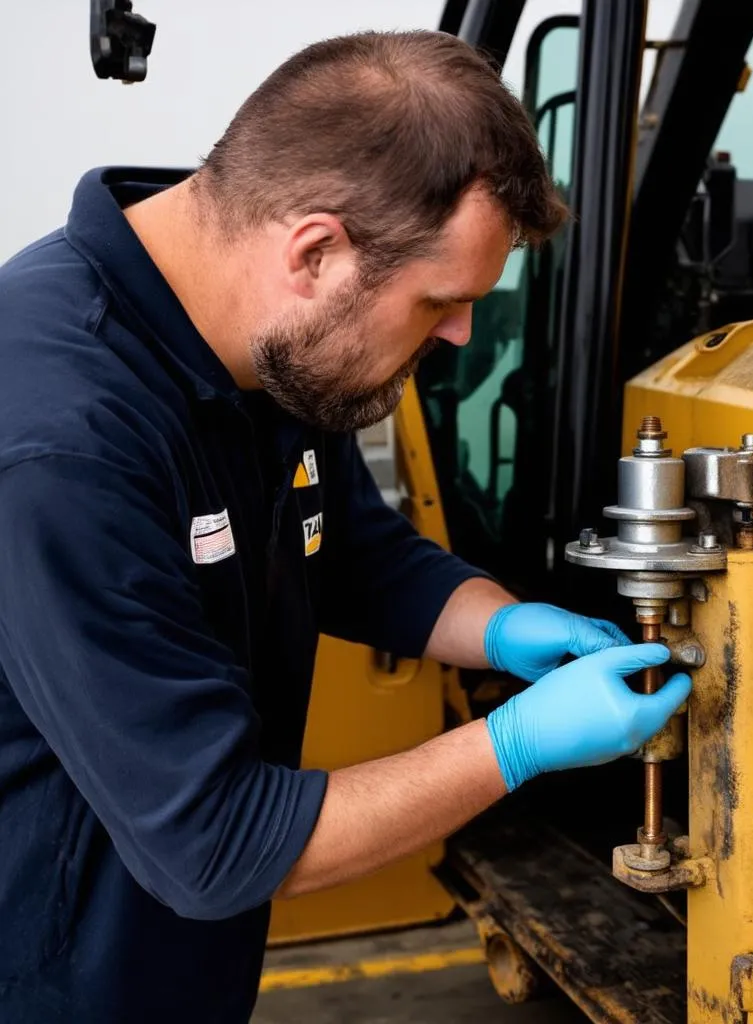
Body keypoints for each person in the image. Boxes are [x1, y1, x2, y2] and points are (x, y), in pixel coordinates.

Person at [0, 30, 690, 1023]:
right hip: (61, 980)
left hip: (186, 969)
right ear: (316, 251)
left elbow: (348, 550)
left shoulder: (266, 344)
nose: (457, 334)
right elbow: (219, 839)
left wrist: (499, 623)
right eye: (440, 302)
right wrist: (517, 742)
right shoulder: (64, 446)